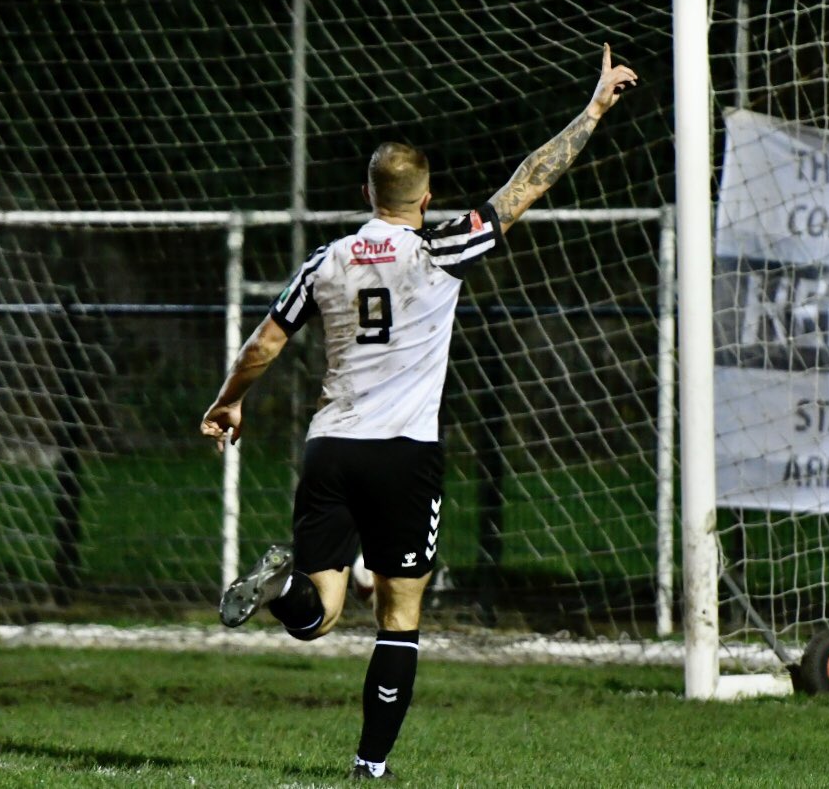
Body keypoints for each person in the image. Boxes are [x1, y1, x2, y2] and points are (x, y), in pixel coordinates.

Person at [201, 43, 637, 781]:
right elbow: (524, 183)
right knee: (398, 616)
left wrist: (229, 400)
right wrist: (593, 108)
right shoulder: (442, 248)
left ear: (368, 191)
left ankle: (280, 590)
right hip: (404, 453)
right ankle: (370, 766)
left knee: (322, 610)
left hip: (331, 447)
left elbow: (266, 340)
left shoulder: (329, 259)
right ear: (425, 199)